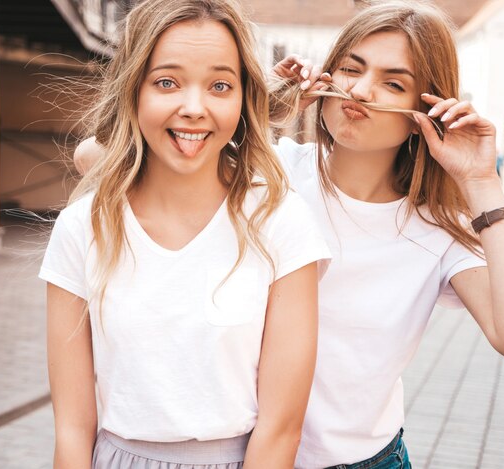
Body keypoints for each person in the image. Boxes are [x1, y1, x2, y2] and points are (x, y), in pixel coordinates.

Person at [75, 2, 504, 468]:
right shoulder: (269, 174)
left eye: (393, 83)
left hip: (362, 462)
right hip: (244, 456)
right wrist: (253, 112)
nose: (362, 91)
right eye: (351, 69)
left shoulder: (435, 229)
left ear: (424, 112)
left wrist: (481, 182)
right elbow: (93, 159)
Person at [41, 0, 330, 468]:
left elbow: (281, 431)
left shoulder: (280, 222)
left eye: (219, 85)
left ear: (243, 99)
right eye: (167, 82)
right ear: (133, 91)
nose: (193, 109)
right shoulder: (83, 227)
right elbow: (72, 431)